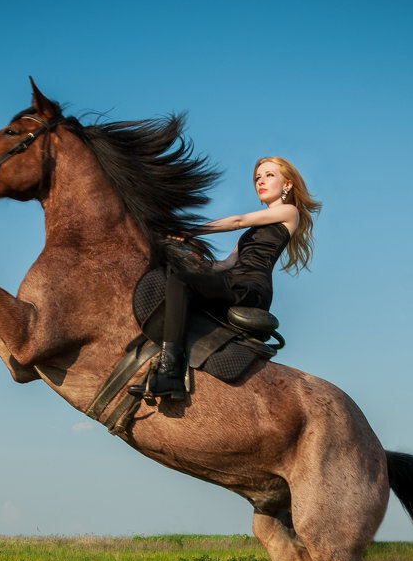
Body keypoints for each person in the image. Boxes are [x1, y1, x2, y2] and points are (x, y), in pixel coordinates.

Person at [131, 156, 321, 400]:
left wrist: (193, 230)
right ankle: (169, 368)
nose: (261, 181)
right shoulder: (251, 234)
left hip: (250, 287)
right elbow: (226, 264)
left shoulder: (288, 212)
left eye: (269, 175)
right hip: (234, 280)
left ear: (287, 185)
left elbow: (237, 221)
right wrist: (194, 260)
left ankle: (170, 371)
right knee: (178, 280)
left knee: (180, 284)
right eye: (257, 177)